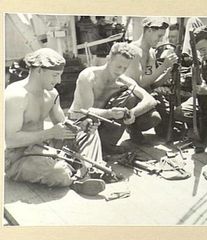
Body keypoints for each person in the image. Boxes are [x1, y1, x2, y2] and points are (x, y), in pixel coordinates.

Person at [5, 48, 106, 196]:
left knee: (90, 133)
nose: (58, 81)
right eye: (55, 75)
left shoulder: (52, 94)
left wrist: (82, 126)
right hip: (19, 158)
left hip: (44, 148)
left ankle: (89, 170)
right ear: (39, 70)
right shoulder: (16, 95)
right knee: (58, 173)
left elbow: (65, 127)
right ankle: (77, 179)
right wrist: (50, 133)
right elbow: (11, 140)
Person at [68, 42, 159, 153]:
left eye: (125, 68)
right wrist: (111, 113)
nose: (120, 71)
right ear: (108, 59)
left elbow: (150, 100)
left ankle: (107, 145)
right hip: (79, 123)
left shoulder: (122, 80)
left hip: (100, 123)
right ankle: (100, 148)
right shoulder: (88, 76)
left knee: (131, 98)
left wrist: (132, 113)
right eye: (118, 66)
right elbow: (86, 112)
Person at [124, 17, 178, 138]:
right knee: (153, 118)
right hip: (133, 97)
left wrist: (168, 72)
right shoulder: (133, 50)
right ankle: (132, 127)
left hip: (147, 94)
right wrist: (163, 66)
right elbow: (140, 84)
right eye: (159, 36)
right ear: (148, 31)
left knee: (166, 120)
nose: (161, 40)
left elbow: (151, 83)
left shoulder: (151, 52)